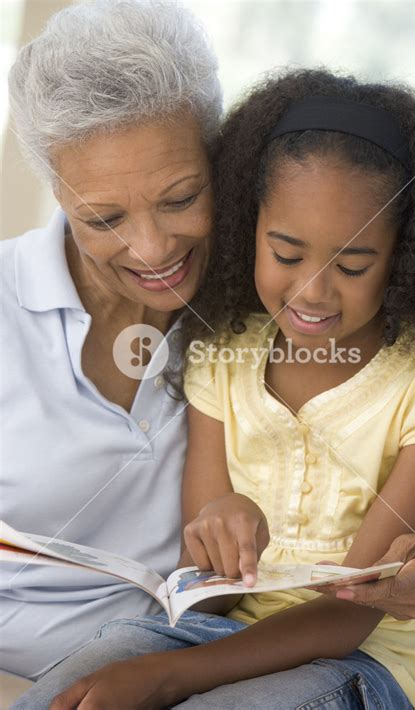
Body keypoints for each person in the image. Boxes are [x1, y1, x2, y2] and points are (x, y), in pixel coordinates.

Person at [16, 69, 415, 709]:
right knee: (93, 671)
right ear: (248, 228)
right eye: (286, 255)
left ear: (406, 255)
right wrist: (219, 531)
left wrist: (166, 677)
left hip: (372, 660)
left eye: (352, 264)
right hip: (219, 632)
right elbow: (210, 591)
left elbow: (348, 616)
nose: (312, 291)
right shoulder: (225, 355)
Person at [0, 0, 221, 680]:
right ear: (59, 197)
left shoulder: (280, 299)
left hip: (189, 668)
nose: (153, 248)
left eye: (181, 198)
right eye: (104, 218)